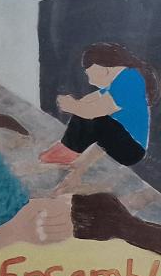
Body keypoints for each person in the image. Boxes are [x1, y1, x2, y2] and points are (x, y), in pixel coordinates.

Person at [43, 43, 156, 193]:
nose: (90, 81)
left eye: (89, 74)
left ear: (103, 68)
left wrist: (72, 106)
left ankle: (66, 152)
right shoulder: (120, 80)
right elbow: (89, 100)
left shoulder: (130, 79)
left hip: (131, 150)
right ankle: (66, 151)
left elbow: (93, 111)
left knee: (97, 119)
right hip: (122, 142)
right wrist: (74, 104)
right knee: (87, 114)